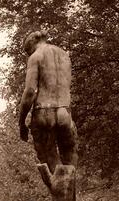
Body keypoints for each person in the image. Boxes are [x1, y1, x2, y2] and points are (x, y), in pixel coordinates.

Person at [19, 30, 78, 176]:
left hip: (44, 113)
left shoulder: (36, 56)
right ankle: (69, 195)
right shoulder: (65, 55)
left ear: (32, 43)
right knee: (70, 163)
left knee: (50, 163)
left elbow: (30, 91)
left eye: (28, 51)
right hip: (65, 113)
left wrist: (21, 122)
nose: (29, 54)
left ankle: (60, 195)